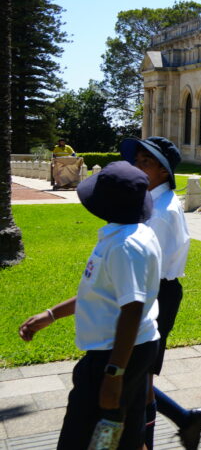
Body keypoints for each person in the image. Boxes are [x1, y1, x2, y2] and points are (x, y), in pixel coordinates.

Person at [18, 161, 162, 449]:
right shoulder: (129, 234)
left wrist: (114, 375)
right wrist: (51, 314)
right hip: (129, 350)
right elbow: (102, 294)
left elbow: (132, 309)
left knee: (79, 437)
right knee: (124, 435)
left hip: (114, 355)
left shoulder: (124, 246)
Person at [119, 136, 201, 450]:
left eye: (146, 162)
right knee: (139, 377)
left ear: (164, 171)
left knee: (136, 377)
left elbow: (144, 266)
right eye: (137, 160)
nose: (137, 166)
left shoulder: (158, 211)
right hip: (155, 290)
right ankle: (185, 420)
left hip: (154, 293)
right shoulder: (153, 202)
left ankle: (159, 433)